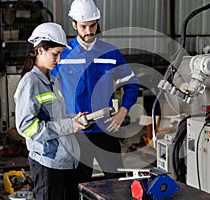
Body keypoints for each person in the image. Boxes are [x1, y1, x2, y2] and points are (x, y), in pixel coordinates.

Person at [51, 0, 139, 182]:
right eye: (83, 27)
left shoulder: (110, 53)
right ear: (74, 24)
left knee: (116, 182)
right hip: (74, 133)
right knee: (77, 185)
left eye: (92, 25)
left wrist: (123, 112)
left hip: (105, 130)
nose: (88, 31)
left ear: (98, 22)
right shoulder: (62, 55)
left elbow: (131, 83)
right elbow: (48, 89)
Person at [14, 22, 88, 200]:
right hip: (46, 163)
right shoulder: (30, 82)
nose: (59, 60)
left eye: (60, 54)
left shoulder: (51, 80)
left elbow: (56, 116)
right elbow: (26, 127)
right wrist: (68, 126)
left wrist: (74, 120)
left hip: (63, 160)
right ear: (40, 50)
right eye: (55, 54)